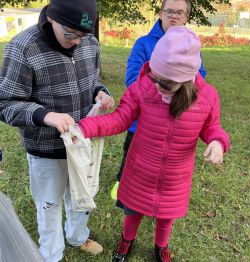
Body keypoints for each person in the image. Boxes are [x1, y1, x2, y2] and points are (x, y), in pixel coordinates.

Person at [77, 26, 230, 262]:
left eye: (166, 83)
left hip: (175, 177)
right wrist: (85, 128)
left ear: (187, 78)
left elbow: (213, 127)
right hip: (141, 169)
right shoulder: (143, 88)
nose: (158, 86)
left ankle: (161, 247)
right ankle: (126, 241)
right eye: (155, 76)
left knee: (166, 217)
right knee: (133, 211)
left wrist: (218, 141)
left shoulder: (207, 97)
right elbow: (119, 119)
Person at [0, 0, 114, 261]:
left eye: (83, 35)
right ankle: (50, 254)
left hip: (82, 144)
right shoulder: (23, 48)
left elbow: (92, 80)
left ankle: (77, 236)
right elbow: (5, 103)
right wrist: (44, 115)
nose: (77, 42)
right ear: (52, 17)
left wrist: (100, 92)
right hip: (45, 149)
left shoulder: (89, 43)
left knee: (80, 198)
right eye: (71, 34)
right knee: (49, 206)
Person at [114, 0, 206, 196]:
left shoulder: (191, 46)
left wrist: (178, 95)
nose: (174, 16)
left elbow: (200, 78)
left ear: (186, 17)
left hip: (175, 120)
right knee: (132, 154)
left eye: (179, 13)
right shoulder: (144, 44)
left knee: (163, 162)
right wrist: (159, 95)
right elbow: (132, 80)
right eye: (169, 11)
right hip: (143, 120)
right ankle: (122, 181)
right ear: (161, 13)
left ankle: (156, 192)